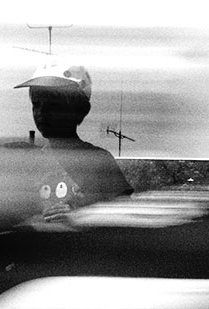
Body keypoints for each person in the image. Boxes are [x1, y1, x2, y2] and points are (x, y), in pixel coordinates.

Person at [14, 60, 132, 221]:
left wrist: (82, 216)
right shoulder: (28, 163)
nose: (42, 112)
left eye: (52, 105)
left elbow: (124, 214)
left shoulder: (99, 162)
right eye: (36, 104)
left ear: (79, 110)